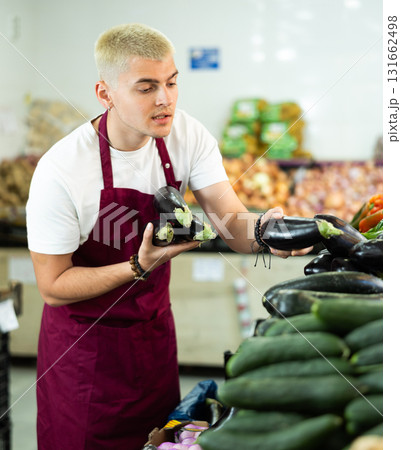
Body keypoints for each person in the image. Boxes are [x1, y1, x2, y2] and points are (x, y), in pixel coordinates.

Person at [26, 23, 311, 450]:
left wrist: (269, 233)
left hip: (153, 341)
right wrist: (137, 266)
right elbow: (52, 286)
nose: (165, 99)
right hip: (84, 357)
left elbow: (229, 220)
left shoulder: (186, 135)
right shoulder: (62, 169)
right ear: (105, 93)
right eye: (146, 88)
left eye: (172, 82)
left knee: (161, 440)